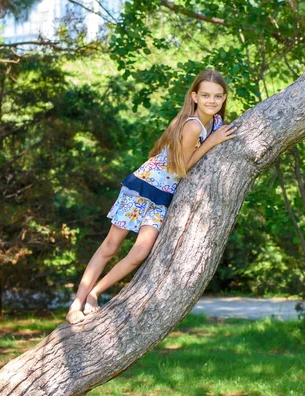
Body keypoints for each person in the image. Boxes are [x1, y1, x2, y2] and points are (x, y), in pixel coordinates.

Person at [66, 70, 236, 324]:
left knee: (139, 253)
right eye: (206, 95)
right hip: (145, 186)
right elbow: (182, 167)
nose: (212, 101)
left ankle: (96, 292)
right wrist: (211, 143)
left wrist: (214, 137)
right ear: (195, 97)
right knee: (110, 246)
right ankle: (76, 304)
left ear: (224, 98)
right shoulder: (193, 125)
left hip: (164, 197)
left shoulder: (216, 123)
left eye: (218, 96)